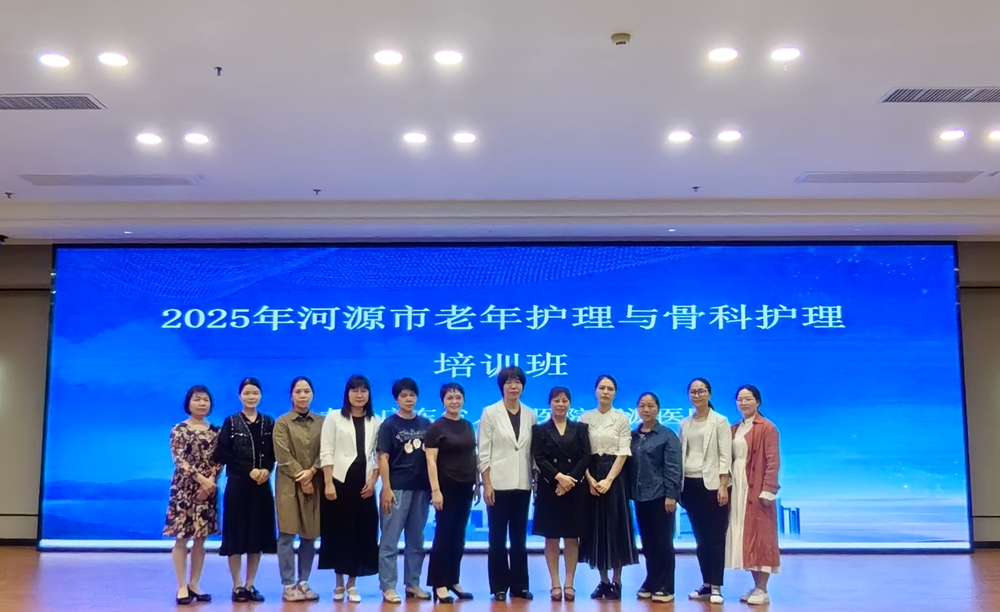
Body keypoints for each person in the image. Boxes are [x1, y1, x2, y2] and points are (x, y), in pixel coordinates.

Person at [319, 375, 382, 603]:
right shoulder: (334, 417)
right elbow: (326, 450)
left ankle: (352, 584)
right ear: (347, 393)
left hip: (363, 483)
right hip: (339, 481)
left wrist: (373, 481)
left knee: (360, 533)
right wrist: (328, 482)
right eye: (355, 390)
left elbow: (378, 455)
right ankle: (338, 583)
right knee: (339, 532)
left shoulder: (375, 420)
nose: (359, 395)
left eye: (363, 390)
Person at [214, 377, 277, 603]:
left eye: (255, 393)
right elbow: (223, 453)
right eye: (247, 393)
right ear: (240, 396)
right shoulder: (231, 422)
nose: (251, 397)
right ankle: (237, 585)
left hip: (261, 486)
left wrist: (267, 469)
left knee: (256, 537)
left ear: (260, 395)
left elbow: (274, 452)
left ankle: (250, 584)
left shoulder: (268, 422)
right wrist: (248, 470)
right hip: (238, 485)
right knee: (236, 536)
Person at [478, 366, 537, 602]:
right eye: (509, 382)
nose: (514, 386)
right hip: (498, 484)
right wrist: (486, 484)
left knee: (519, 538)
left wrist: (535, 480)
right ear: (501, 387)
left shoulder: (530, 413)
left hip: (522, 483)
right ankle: (499, 586)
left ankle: (520, 586)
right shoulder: (490, 412)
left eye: (518, 382)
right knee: (497, 538)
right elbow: (483, 452)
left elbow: (532, 450)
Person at [580, 374, 639, 600]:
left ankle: (617, 581)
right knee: (596, 529)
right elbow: (582, 453)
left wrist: (608, 480)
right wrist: (590, 479)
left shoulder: (621, 418)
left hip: (615, 476)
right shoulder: (585, 418)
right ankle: (603, 581)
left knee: (615, 527)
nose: (605, 392)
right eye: (602, 388)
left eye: (610, 389)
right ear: (595, 391)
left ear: (615, 393)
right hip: (591, 475)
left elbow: (624, 451)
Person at [530, 386, 591, 602]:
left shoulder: (580, 428)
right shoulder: (539, 430)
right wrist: (559, 477)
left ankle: (569, 583)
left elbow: (586, 456)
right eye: (557, 400)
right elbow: (539, 457)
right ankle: (555, 583)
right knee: (552, 537)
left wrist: (570, 480)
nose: (561, 404)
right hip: (550, 487)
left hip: (574, 488)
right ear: (550, 403)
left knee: (572, 536)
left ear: (570, 404)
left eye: (564, 401)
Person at [165, 385, 222, 606]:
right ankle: (181, 586)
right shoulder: (179, 429)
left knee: (201, 538)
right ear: (188, 402)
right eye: (197, 399)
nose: (201, 403)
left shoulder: (216, 431)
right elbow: (179, 460)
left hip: (208, 491)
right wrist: (201, 479)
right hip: (184, 490)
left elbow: (219, 460)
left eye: (205, 400)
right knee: (181, 538)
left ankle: (195, 583)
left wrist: (210, 482)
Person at [377, 377, 433, 603]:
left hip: (421, 489)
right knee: (390, 541)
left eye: (412, 395)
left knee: (416, 540)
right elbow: (383, 458)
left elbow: (432, 458)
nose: (408, 399)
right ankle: (388, 586)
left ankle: (413, 583)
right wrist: (386, 488)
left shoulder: (426, 424)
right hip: (396, 489)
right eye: (403, 395)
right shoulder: (389, 425)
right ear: (396, 399)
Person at [725, 384, 781, 606]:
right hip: (737, 488)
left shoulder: (767, 427)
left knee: (761, 536)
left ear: (758, 401)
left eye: (748, 399)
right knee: (745, 536)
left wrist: (769, 488)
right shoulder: (734, 428)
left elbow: (773, 461)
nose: (743, 403)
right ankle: (756, 586)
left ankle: (763, 588)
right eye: (740, 399)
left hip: (756, 489)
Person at [425, 382, 480, 603]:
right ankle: (439, 584)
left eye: (458, 397)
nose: (454, 401)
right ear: (443, 401)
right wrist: (435, 490)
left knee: (458, 537)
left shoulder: (467, 425)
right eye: (450, 398)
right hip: (445, 488)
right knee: (443, 536)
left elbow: (472, 455)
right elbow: (431, 461)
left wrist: (477, 483)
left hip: (466, 486)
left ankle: (453, 580)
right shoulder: (436, 428)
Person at [679, 377, 732, 605]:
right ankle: (706, 583)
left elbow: (725, 454)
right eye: (693, 391)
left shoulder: (720, 421)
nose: (697, 395)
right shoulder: (685, 423)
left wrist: (723, 484)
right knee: (700, 539)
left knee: (715, 538)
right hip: (690, 485)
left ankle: (717, 586)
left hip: (712, 485)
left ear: (709, 394)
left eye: (701, 391)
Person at [273, 376, 324, 602]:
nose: (303, 395)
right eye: (298, 391)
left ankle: (303, 581)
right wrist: (302, 477)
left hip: (315, 484)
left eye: (306, 391)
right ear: (291, 395)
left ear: (312, 394)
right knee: (286, 534)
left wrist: (312, 471)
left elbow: (326, 451)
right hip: (288, 485)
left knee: (309, 535)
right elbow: (282, 455)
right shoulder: (282, 422)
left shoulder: (322, 422)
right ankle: (288, 584)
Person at [630, 392, 682, 603]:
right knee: (648, 542)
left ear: (658, 409)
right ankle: (651, 580)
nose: (646, 409)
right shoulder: (633, 435)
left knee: (663, 542)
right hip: (640, 496)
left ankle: (666, 586)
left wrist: (671, 495)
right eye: (642, 406)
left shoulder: (667, 435)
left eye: (650, 406)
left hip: (661, 496)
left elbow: (673, 467)